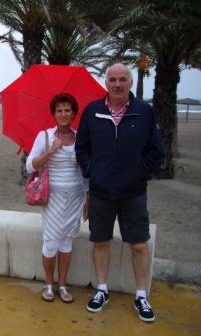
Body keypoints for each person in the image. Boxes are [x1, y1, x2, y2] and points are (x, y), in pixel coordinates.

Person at [75, 63, 164, 322]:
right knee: (100, 241)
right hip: (102, 192)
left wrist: (138, 173)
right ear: (106, 82)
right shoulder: (92, 111)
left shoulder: (144, 112)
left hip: (133, 192)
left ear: (130, 82)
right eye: (112, 79)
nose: (117, 84)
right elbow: (82, 149)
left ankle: (140, 295)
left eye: (122, 79)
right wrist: (94, 171)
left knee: (138, 244)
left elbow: (156, 152)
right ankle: (102, 290)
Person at [26, 93, 89, 303]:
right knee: (51, 241)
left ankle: (62, 285)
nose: (63, 114)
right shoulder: (44, 136)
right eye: (59, 110)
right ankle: (48, 284)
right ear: (54, 114)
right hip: (52, 198)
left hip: (75, 198)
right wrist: (50, 151)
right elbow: (30, 166)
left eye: (67, 110)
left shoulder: (80, 137)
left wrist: (88, 197)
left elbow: (85, 172)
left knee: (67, 242)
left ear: (73, 113)